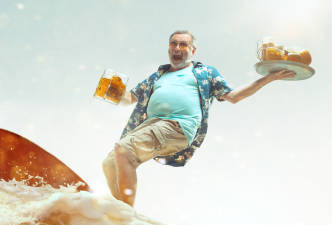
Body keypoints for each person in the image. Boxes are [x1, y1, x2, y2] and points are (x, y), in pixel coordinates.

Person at [102, 30, 295, 206]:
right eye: (173, 44)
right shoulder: (156, 76)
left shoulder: (205, 73)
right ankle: (118, 212)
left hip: (178, 126)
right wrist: (110, 89)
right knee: (110, 162)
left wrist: (268, 79)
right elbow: (129, 99)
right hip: (150, 126)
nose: (177, 48)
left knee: (123, 149)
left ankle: (127, 215)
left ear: (193, 50)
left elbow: (234, 96)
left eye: (183, 44)